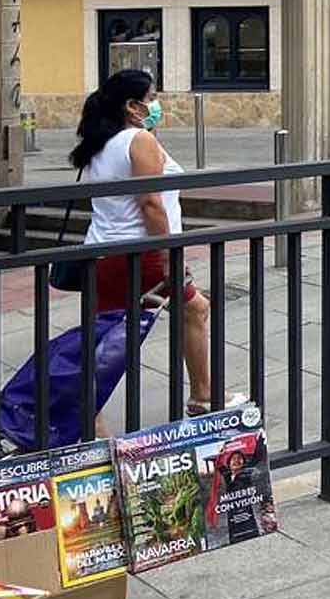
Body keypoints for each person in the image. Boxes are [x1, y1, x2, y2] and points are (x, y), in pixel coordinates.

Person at [72, 69, 223, 416]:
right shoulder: (138, 141)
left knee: (105, 336)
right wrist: (170, 254)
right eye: (151, 98)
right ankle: (203, 396)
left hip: (103, 252)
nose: (155, 104)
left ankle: (82, 416)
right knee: (194, 309)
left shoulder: (100, 143)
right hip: (142, 251)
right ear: (132, 106)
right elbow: (150, 203)